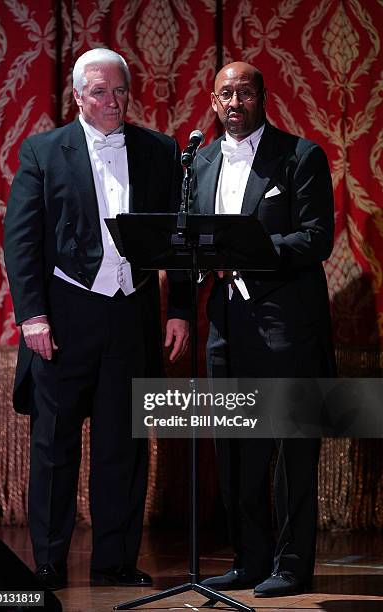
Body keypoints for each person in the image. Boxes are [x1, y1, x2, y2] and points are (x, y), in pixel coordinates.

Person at [4, 48, 189, 591]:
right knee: (55, 446)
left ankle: (114, 563)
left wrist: (177, 308)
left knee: (123, 448)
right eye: (102, 92)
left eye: (121, 92)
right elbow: (22, 241)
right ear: (79, 96)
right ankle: (48, 564)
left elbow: (174, 236)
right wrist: (33, 316)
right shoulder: (42, 151)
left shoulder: (159, 150)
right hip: (64, 314)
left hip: (131, 313)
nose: (114, 102)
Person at [192, 62, 336, 597]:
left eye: (245, 93)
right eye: (226, 94)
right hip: (227, 326)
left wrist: (247, 251)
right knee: (236, 449)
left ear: (263, 98)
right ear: (212, 101)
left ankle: (293, 564)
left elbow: (317, 238)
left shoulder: (300, 156)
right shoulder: (201, 163)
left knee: (293, 452)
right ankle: (249, 559)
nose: (235, 102)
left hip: (288, 326)